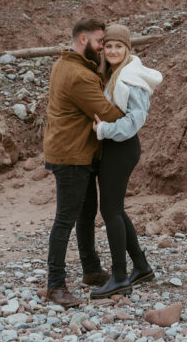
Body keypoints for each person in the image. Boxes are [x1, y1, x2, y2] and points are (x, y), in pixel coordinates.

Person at [43, 16, 125, 308]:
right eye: (100, 41)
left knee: (86, 213)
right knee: (65, 220)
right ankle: (55, 286)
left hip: (77, 152)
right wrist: (134, 111)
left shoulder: (68, 65)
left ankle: (90, 270)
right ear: (82, 40)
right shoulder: (78, 75)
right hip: (71, 156)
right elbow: (106, 111)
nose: (103, 47)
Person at [90, 22, 163, 299]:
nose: (113, 50)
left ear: (127, 49)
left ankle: (120, 276)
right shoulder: (112, 73)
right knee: (115, 210)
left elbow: (136, 120)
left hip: (122, 147)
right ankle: (141, 267)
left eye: (119, 46)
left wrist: (104, 130)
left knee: (110, 211)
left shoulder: (130, 78)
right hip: (113, 148)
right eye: (108, 46)